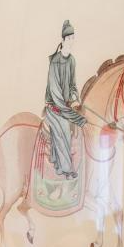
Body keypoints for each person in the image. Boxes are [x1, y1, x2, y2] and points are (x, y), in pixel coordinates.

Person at [43, 20, 86, 179]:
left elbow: (73, 85)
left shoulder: (72, 60)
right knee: (64, 129)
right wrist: (74, 116)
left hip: (66, 107)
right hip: (55, 107)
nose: (71, 41)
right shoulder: (55, 62)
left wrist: (75, 99)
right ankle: (67, 170)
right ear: (63, 40)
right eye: (68, 38)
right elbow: (55, 94)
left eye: (73, 38)